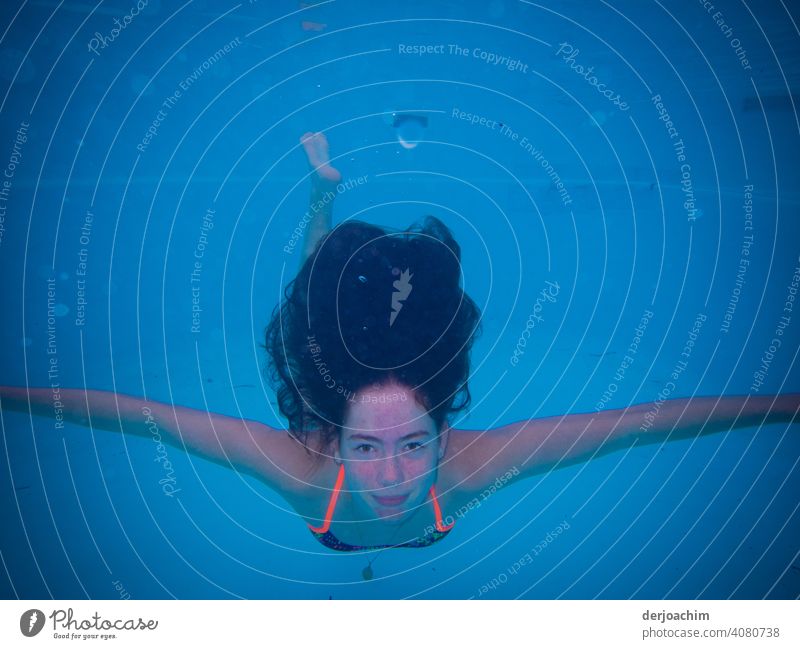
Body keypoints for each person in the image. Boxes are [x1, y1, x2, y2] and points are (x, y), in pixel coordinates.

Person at [2, 132, 798, 565]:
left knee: (315, 311)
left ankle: (325, 212)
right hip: (326, 390)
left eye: (414, 441)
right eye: (368, 445)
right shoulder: (301, 464)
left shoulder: (469, 465)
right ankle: (324, 205)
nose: (391, 474)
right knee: (304, 326)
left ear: (443, 426)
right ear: (332, 438)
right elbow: (138, 416)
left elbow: (648, 421)